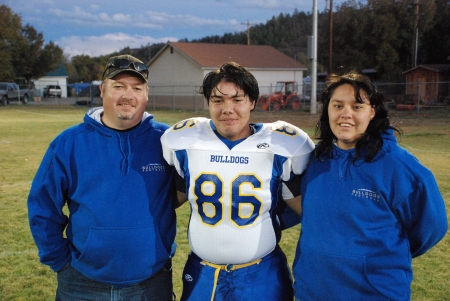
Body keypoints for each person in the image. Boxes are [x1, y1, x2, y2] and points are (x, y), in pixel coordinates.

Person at [27, 54, 177, 301]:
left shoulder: (168, 140)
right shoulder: (68, 144)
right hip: (81, 284)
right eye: (118, 86)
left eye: (136, 88)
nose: (127, 95)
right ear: (103, 89)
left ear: (146, 94)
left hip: (150, 284)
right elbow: (42, 207)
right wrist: (59, 261)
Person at [161, 61, 315, 301]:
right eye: (218, 100)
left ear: (252, 102)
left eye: (237, 99)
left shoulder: (281, 144)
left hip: (262, 273)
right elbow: (170, 196)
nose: (227, 109)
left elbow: (304, 206)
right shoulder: (185, 140)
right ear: (208, 104)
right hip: (203, 272)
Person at [292, 70, 448, 301]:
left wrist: (381, 257)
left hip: (374, 294)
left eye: (357, 106)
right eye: (337, 106)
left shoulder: (398, 166)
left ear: (372, 112)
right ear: (327, 110)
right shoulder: (314, 160)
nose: (346, 114)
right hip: (311, 293)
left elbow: (431, 227)